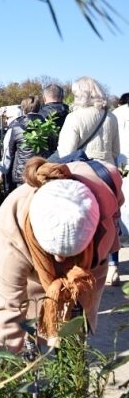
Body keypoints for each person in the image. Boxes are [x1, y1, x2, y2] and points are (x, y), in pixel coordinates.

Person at [0, 156, 123, 353]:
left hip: (86, 269)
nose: (60, 261)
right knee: (25, 327)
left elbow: (117, 203)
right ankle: (30, 349)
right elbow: (5, 318)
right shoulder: (8, 236)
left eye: (71, 253)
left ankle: (72, 363)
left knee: (74, 330)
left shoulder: (105, 181)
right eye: (54, 253)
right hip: (27, 265)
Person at [56, 77, 120, 286]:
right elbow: (116, 151)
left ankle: (85, 266)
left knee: (84, 220)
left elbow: (66, 151)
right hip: (108, 174)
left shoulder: (74, 118)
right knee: (111, 218)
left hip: (84, 175)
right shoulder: (110, 118)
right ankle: (112, 266)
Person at [0, 96, 45, 192]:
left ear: (23, 109)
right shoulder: (48, 126)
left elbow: (10, 152)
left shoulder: (16, 128)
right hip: (42, 172)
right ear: (39, 108)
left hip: (22, 174)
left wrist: (4, 171)